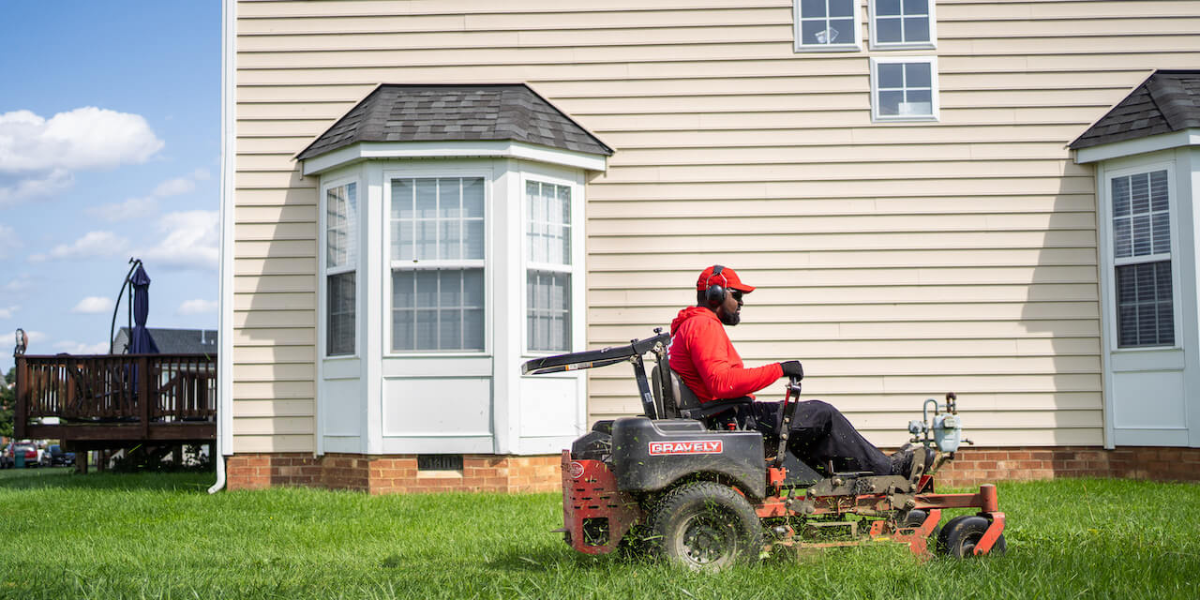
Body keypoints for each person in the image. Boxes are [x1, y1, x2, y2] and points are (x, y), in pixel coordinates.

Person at [668, 264, 923, 477]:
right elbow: (721, 382)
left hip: (722, 415)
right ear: (716, 295)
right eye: (737, 295)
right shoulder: (703, 326)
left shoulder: (693, 325)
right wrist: (779, 369)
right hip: (729, 421)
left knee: (805, 426)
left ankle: (857, 481)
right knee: (823, 414)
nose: (741, 303)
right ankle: (888, 471)